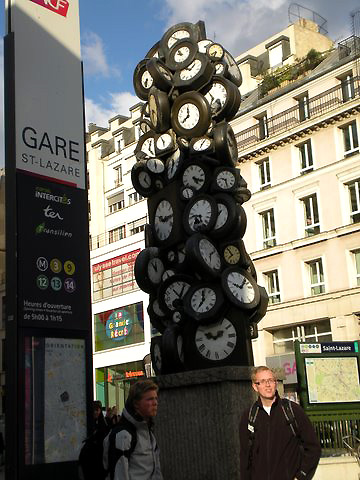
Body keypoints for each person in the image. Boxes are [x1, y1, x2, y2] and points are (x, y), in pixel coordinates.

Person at [239, 366, 321, 480]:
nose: (268, 385)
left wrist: (301, 476)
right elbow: (245, 457)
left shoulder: (292, 410)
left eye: (271, 380)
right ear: (255, 386)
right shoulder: (249, 416)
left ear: (275, 383)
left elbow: (313, 447)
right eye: (262, 382)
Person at [103, 379, 163, 480]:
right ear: (136, 404)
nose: (155, 403)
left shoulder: (148, 431)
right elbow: (119, 475)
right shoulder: (123, 435)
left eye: (156, 398)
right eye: (150, 399)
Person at [79, 400, 109, 480]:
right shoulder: (88, 423)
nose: (95, 412)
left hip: (98, 458)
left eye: (97, 410)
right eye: (94, 410)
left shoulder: (102, 424)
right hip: (89, 459)